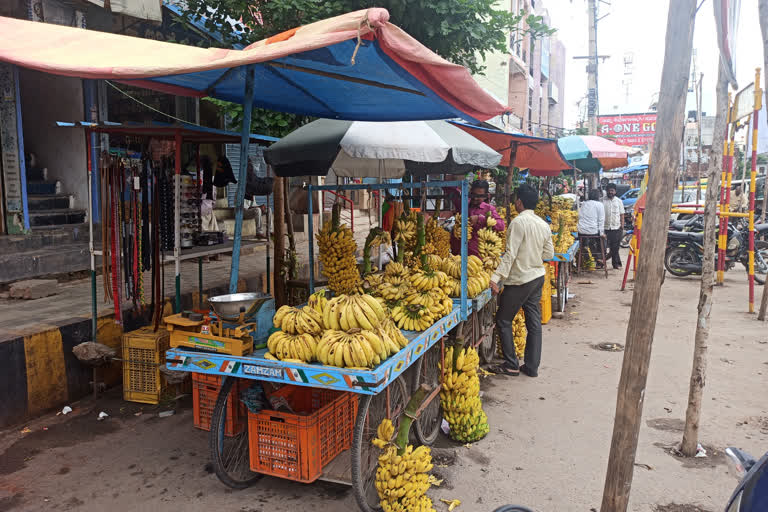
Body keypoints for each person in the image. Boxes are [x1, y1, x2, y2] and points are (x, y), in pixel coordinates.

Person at [489, 184, 554, 377]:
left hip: (520, 280)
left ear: (519, 202)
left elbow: (510, 255)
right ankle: (532, 367)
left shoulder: (518, 222)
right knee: (533, 323)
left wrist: (495, 277)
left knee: (503, 319)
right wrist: (533, 258)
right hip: (537, 278)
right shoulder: (543, 224)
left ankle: (511, 364)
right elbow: (549, 254)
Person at [449, 180, 505, 257]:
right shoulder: (463, 203)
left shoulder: (488, 209)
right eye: (473, 194)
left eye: (479, 196)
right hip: (456, 252)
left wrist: (481, 219)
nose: (475, 198)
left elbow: (501, 226)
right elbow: (450, 189)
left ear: (486, 196)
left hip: (476, 256)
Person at [578, 189, 605, 267]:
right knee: (602, 240)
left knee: (587, 243)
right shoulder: (600, 205)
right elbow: (601, 220)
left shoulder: (584, 204)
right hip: (592, 231)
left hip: (581, 230)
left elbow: (580, 216)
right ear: (598, 196)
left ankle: (588, 258)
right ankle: (599, 257)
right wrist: (602, 233)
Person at [601, 183, 625, 269]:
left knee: (614, 248)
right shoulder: (602, 201)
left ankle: (615, 264)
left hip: (616, 227)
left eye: (612, 190)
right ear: (606, 191)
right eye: (609, 190)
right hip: (604, 228)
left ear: (615, 191)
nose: (610, 192)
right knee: (602, 247)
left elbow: (622, 214)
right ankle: (601, 263)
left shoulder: (619, 201)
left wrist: (622, 226)